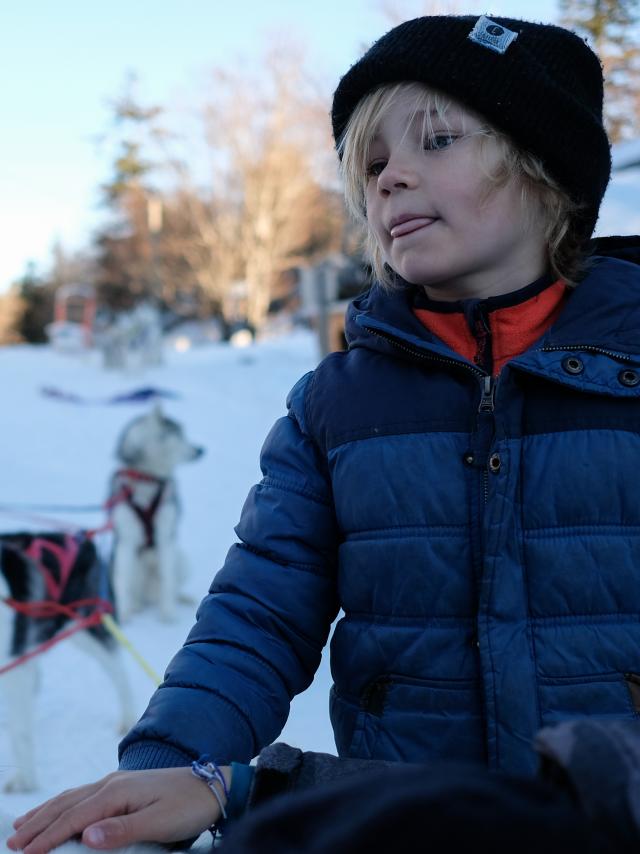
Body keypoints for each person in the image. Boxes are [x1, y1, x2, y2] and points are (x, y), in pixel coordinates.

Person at [8, 12, 640, 853]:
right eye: (371, 165)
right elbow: (258, 613)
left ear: (546, 169)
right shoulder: (335, 406)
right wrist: (171, 763)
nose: (391, 179)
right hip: (408, 831)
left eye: (438, 141)